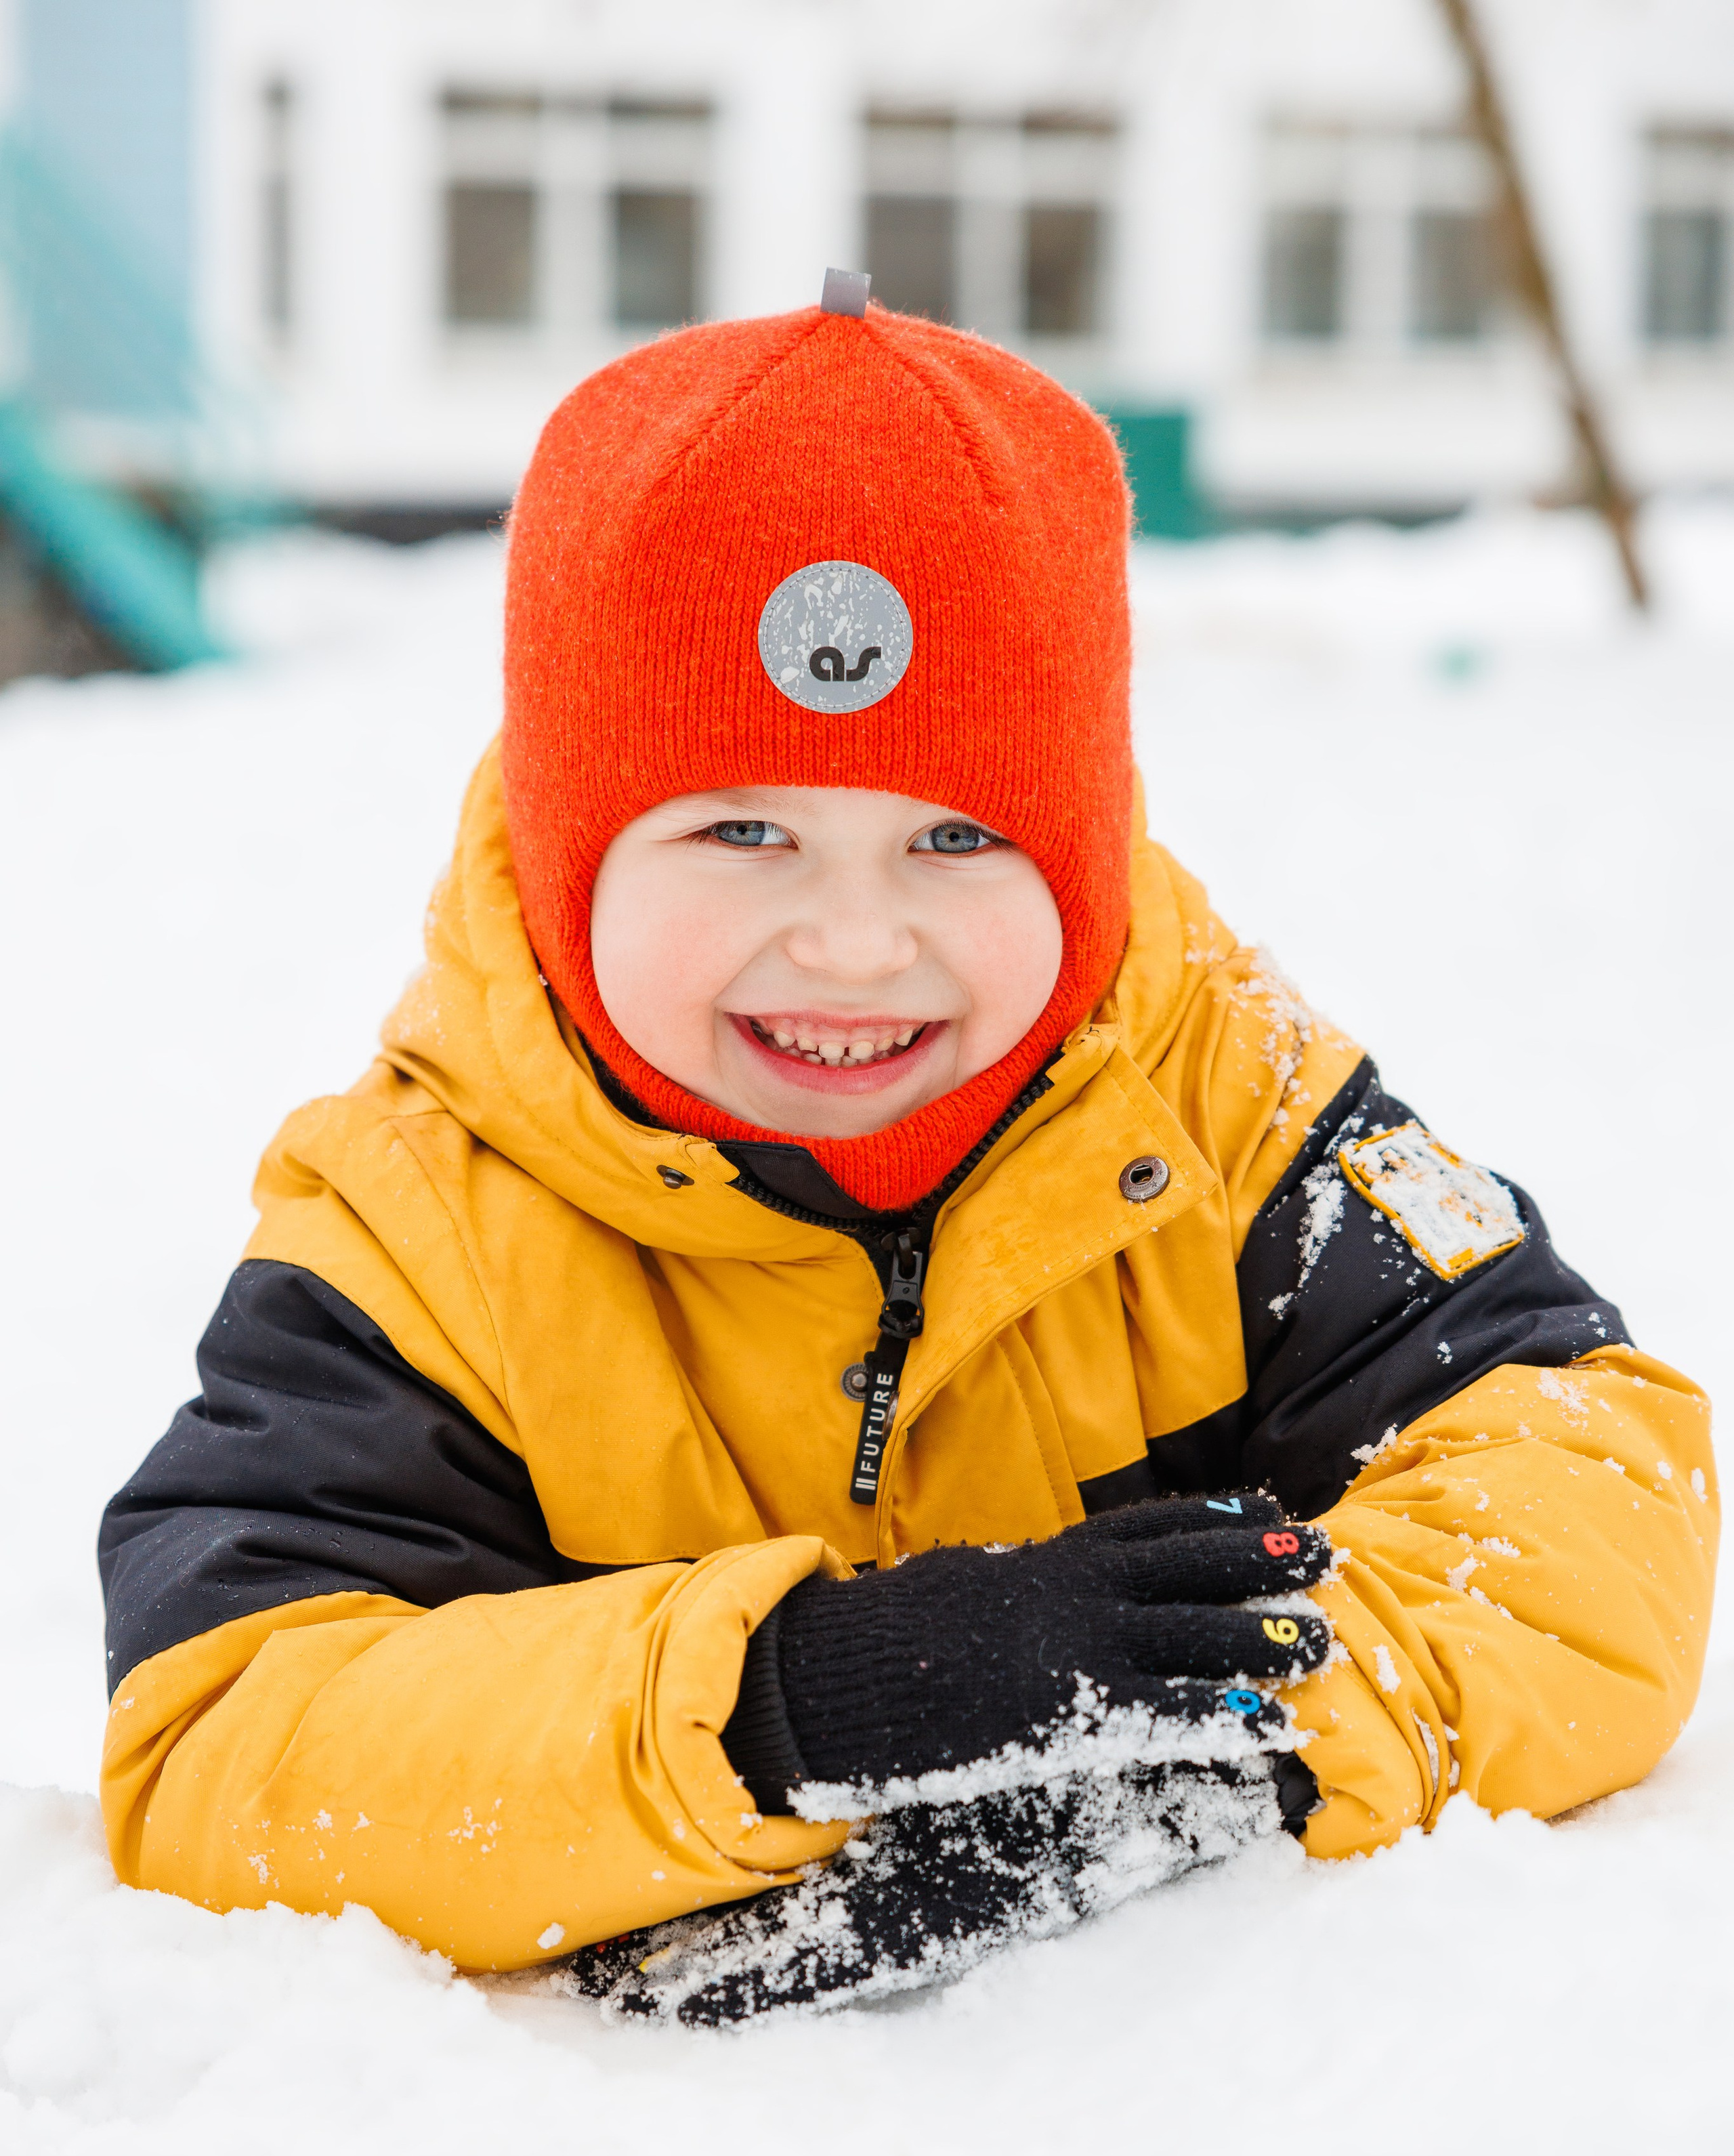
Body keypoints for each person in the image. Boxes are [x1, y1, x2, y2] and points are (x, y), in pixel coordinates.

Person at [99, 287, 1716, 2025]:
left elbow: (1588, 1468)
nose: (856, 946)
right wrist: (782, 1704)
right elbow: (224, 1741)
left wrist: (1224, 1735)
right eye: (742, 830)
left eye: (955, 836)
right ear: (570, 853)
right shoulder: (423, 1229)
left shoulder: (1215, 1106)